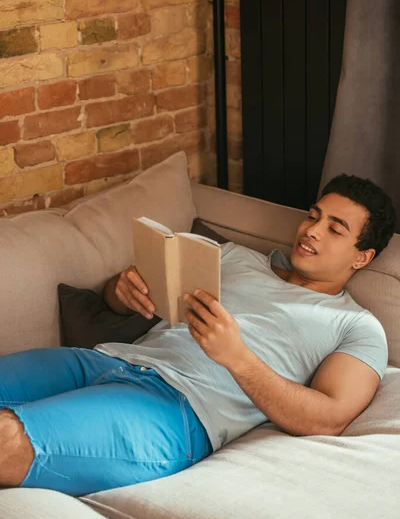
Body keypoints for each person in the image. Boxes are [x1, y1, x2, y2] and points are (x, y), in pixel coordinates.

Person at [0, 174, 396, 497]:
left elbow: (329, 418)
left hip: (176, 409)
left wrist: (238, 358)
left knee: (6, 441)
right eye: (313, 216)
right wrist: (121, 292)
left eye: (335, 228)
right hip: (106, 360)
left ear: (362, 257)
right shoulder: (232, 256)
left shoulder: (357, 326)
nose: (312, 230)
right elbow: (134, 294)